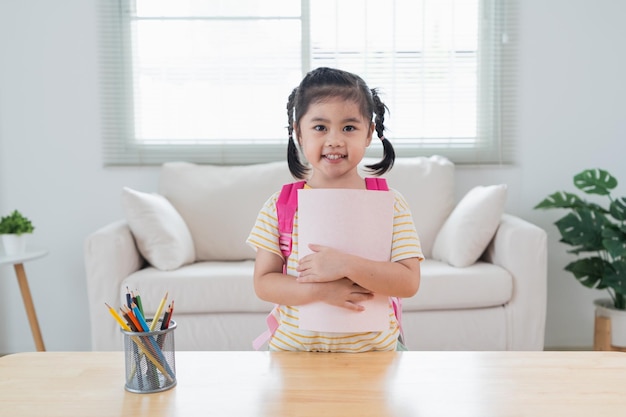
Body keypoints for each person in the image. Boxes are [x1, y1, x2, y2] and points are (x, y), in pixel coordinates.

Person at [246, 67, 423, 352]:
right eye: (320, 127)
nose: (335, 140)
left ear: (368, 134)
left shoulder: (391, 203)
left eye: (349, 128)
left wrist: (345, 265)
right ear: (299, 134)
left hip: (374, 356)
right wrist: (322, 291)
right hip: (295, 356)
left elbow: (408, 282)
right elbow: (264, 283)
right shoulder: (280, 205)